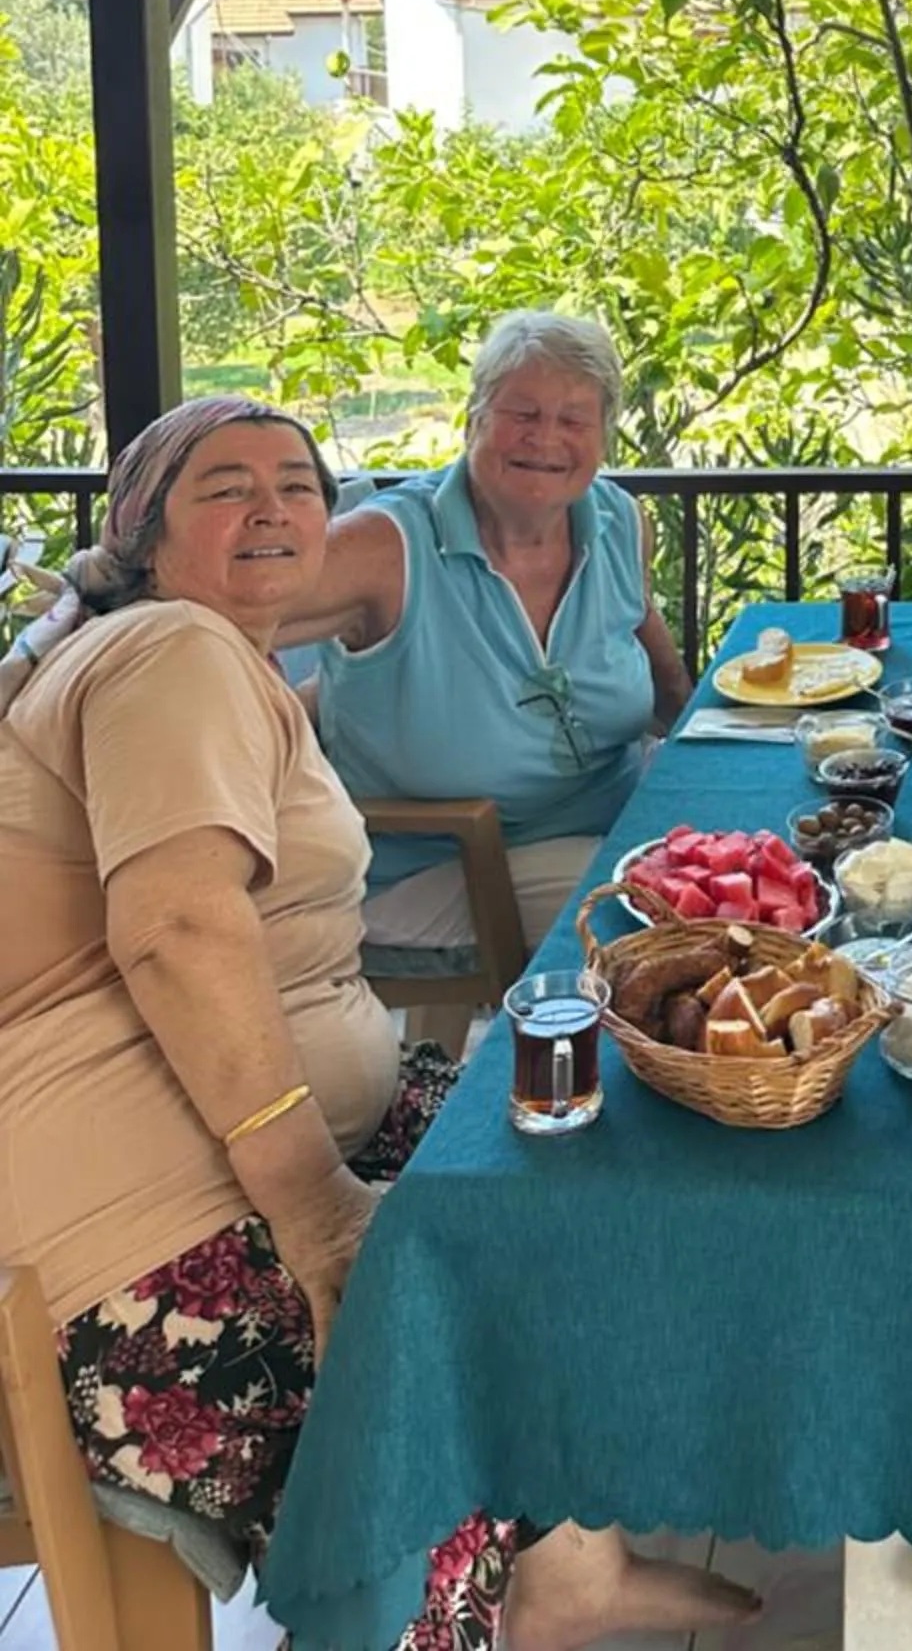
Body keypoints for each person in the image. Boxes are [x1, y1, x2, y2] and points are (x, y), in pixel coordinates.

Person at [0, 396, 762, 1650]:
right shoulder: (164, 653)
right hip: (134, 1234)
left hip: (251, 1137)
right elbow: (177, 927)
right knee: (428, 1332)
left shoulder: (204, 655)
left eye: (298, 484)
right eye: (226, 487)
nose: (274, 509)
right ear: (144, 531)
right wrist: (316, 1210)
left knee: (571, 1137)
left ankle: (571, 1573)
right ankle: (439, 1617)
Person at [280, 310, 689, 958]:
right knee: (678, 927)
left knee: (769, 862)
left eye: (574, 419)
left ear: (603, 437)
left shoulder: (617, 521)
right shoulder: (391, 546)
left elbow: (668, 684)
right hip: (443, 866)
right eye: (521, 412)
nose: (545, 438)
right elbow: (233, 610)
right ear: (473, 417)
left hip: (614, 826)